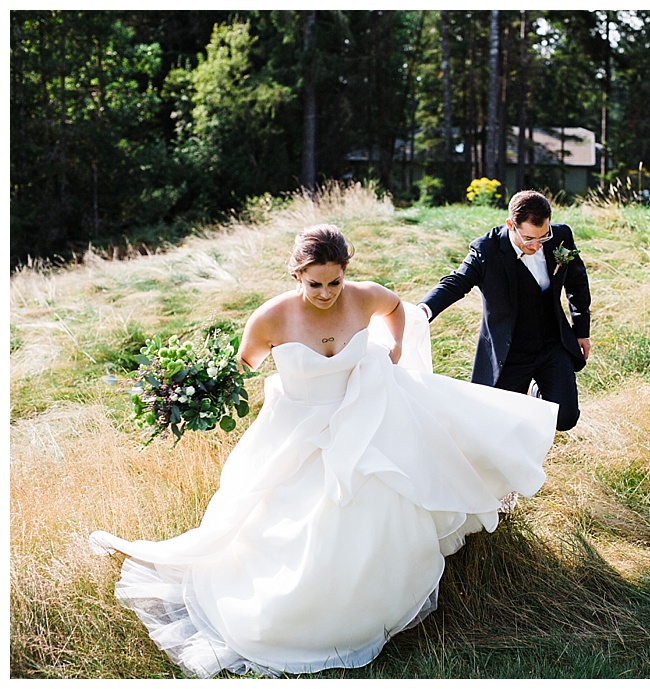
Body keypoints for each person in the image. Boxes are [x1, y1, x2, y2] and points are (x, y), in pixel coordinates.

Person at [89, 224, 558, 678]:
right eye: (315, 284)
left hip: (363, 415)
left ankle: (371, 606)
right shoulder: (271, 318)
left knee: (376, 502)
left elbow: (396, 308)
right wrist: (199, 391)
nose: (327, 293)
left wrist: (394, 344)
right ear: (297, 276)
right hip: (298, 429)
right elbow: (242, 367)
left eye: (335, 281)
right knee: (282, 521)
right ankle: (297, 617)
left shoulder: (364, 296)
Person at [418, 190, 591, 432]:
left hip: (552, 343)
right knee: (495, 422)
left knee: (565, 418)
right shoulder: (486, 250)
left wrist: (582, 331)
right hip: (509, 351)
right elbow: (456, 282)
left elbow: (577, 282)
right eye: (529, 238)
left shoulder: (560, 237)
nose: (536, 245)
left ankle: (537, 393)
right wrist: (423, 311)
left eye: (543, 237)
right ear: (511, 224)